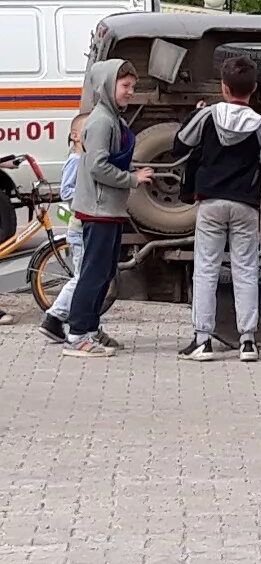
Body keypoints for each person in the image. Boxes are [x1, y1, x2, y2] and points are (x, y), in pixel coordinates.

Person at [172, 56, 261, 364]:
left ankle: (202, 340)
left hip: (210, 203)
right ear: (254, 89)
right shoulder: (260, 123)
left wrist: (193, 117)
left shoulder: (207, 116)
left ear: (223, 87)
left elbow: (179, 146)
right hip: (246, 206)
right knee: (246, 270)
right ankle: (247, 342)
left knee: (206, 269)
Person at [63, 61, 155, 358]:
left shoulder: (113, 119)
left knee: (103, 273)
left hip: (109, 209)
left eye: (132, 86)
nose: (130, 92)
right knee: (93, 273)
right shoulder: (103, 121)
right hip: (99, 210)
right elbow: (97, 166)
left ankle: (90, 329)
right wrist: (132, 179)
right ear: (106, 86)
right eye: (125, 86)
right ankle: (77, 334)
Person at [38, 114, 106, 345]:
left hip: (85, 226)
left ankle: (80, 324)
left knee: (88, 276)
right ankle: (55, 317)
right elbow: (66, 192)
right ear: (75, 135)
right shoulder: (76, 161)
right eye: (86, 131)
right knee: (83, 277)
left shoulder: (85, 159)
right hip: (80, 226)